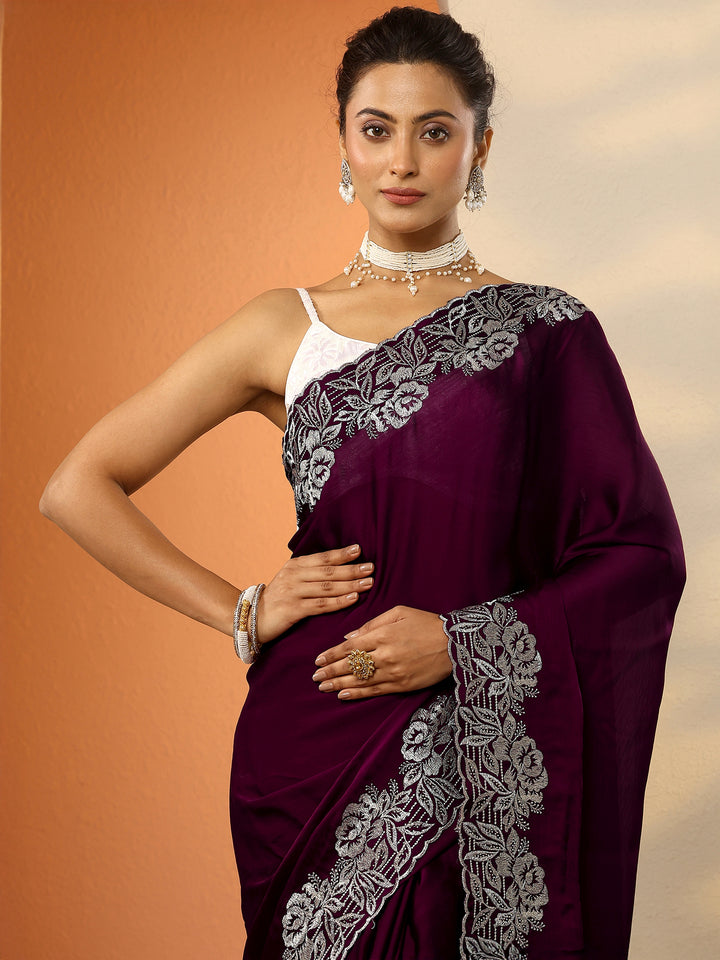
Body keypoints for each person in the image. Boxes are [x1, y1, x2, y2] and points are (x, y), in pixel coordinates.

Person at [40, 6, 686, 959]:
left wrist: (461, 643)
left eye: (436, 131)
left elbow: (641, 555)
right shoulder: (285, 325)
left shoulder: (548, 333)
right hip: (313, 740)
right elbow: (78, 486)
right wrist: (243, 610)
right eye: (376, 130)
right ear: (344, 141)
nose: (403, 161)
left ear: (480, 147)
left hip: (475, 745)